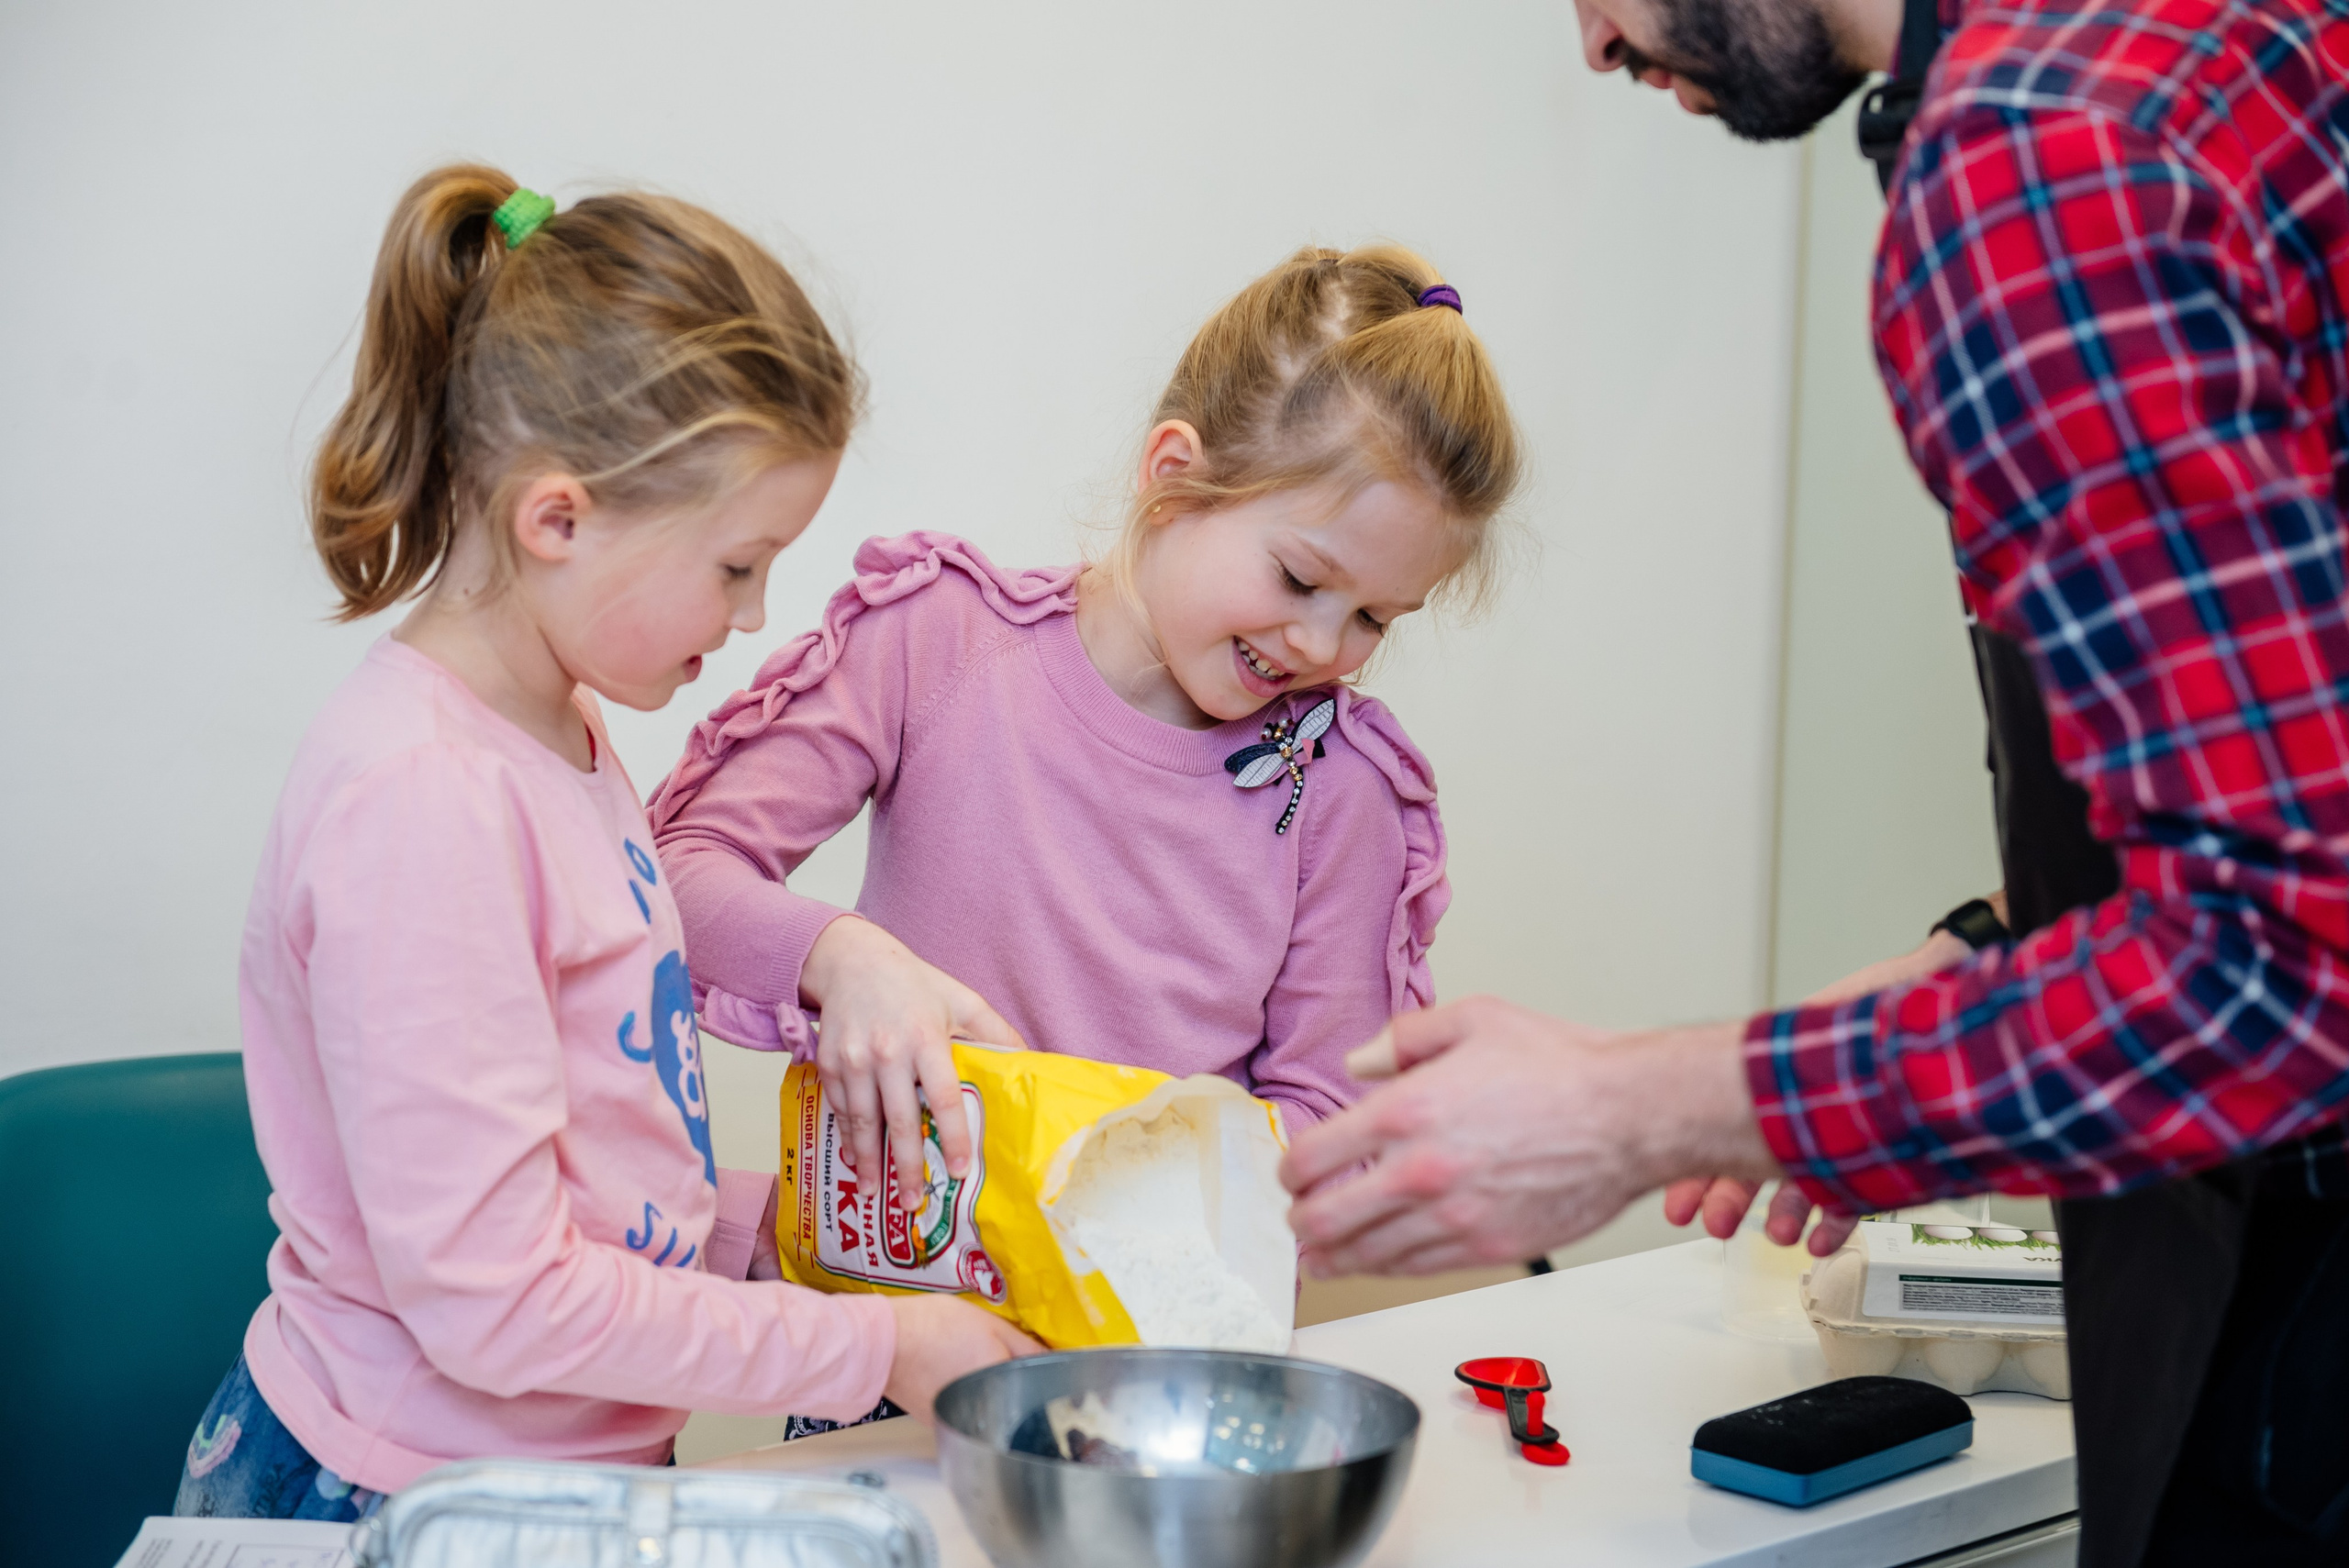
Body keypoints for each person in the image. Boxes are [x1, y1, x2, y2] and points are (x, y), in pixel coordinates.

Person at [1281, 0, 2349, 1561]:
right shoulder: (2224, 47)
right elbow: (2292, 747)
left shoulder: (2048, 161)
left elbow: (2277, 960)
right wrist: (1995, 952)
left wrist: (1638, 1109)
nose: (1594, 43)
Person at [177, 165, 1035, 1521]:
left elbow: (603, 1143)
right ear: (559, 519)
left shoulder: (561, 726)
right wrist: (877, 1344)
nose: (753, 616)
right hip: (399, 1491)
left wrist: (806, 1239)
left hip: (561, 1472)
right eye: (736, 564)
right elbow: (499, 1302)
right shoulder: (424, 801)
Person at [650, 246, 1520, 1221]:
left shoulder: (1343, 792)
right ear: (1173, 476)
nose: (1323, 643)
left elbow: (1331, 1125)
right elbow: (672, 875)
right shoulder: (933, 639)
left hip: (1131, 1348)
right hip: (879, 1315)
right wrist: (844, 957)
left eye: (1374, 619)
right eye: (1300, 579)